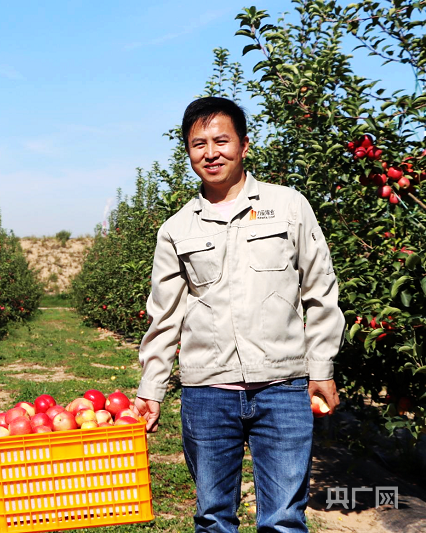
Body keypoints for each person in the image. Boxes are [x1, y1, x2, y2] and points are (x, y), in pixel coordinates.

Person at [133, 97, 344, 532]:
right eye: (198, 144)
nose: (210, 153)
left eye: (221, 141)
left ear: (244, 145)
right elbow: (164, 314)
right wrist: (151, 388)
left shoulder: (288, 206)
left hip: (283, 388)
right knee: (213, 517)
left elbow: (320, 289)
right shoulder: (177, 229)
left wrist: (321, 366)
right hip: (207, 392)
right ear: (188, 152)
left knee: (284, 519)